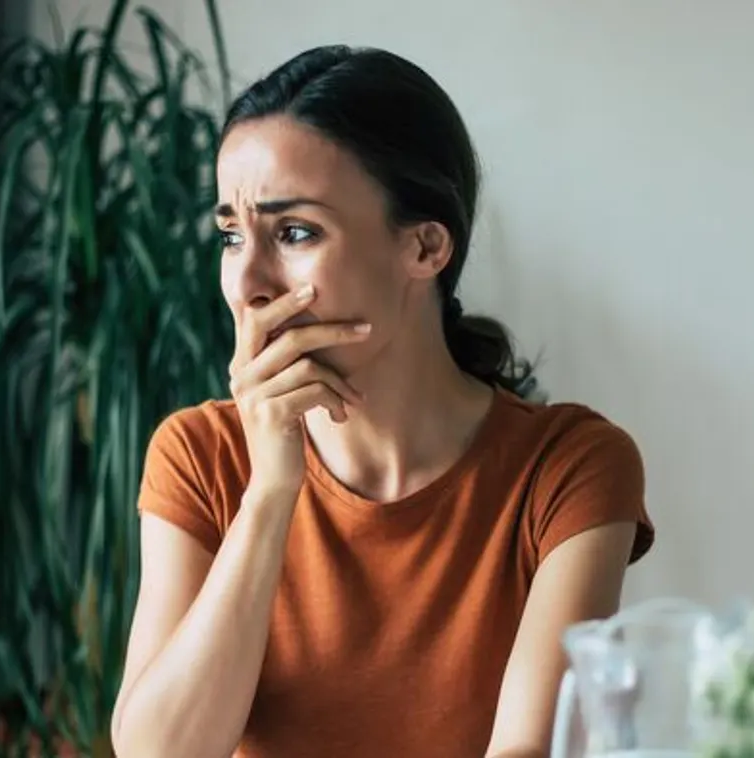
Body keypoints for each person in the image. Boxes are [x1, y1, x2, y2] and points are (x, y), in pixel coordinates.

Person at [110, 44, 654, 758]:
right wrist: (271, 492)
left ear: (426, 248)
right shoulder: (199, 454)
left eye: (294, 232)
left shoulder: (568, 468)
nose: (246, 283)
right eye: (231, 236)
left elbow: (528, 750)